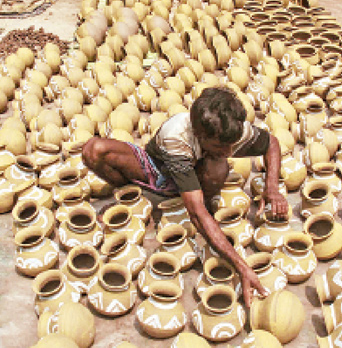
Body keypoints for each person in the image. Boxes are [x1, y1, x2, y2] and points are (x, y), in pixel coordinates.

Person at [82, 86, 289, 307]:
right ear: (200, 135)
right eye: (221, 146)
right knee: (93, 150)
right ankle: (132, 196)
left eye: (231, 145)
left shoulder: (231, 129)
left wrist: (272, 188)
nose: (229, 152)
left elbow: (272, 143)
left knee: (218, 169)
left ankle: (204, 199)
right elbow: (196, 215)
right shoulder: (177, 136)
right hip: (159, 171)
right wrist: (241, 265)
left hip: (198, 175)